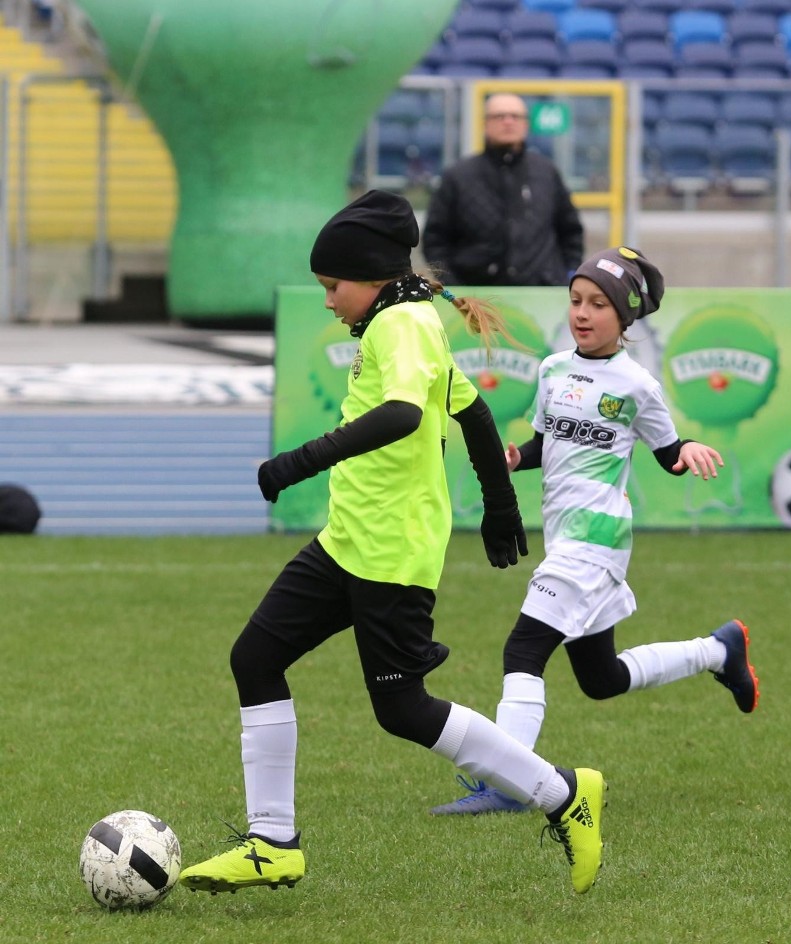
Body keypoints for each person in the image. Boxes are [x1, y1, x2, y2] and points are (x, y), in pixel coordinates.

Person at [178, 190, 606, 897]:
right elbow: (471, 411)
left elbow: (406, 414)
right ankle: (272, 841)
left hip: (391, 550)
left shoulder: (400, 326)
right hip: (349, 539)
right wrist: (500, 508)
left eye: (331, 286)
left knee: (403, 709)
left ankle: (561, 791)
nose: (326, 300)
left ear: (372, 276)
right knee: (254, 658)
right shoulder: (405, 316)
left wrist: (298, 461)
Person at [430, 246, 760, 816]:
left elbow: (668, 451)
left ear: (624, 318)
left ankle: (510, 783)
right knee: (600, 678)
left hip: (596, 540)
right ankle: (718, 650)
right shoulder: (553, 369)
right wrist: (515, 457)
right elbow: (546, 441)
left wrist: (690, 450)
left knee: (523, 650)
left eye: (598, 304)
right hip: (566, 539)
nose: (583, 313)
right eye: (577, 300)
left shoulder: (637, 386)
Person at [422, 92, 584, 287]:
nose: (508, 122)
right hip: (476, 297)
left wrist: (565, 276)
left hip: (540, 295)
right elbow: (435, 239)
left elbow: (570, 231)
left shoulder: (546, 172)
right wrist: (453, 285)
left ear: (525, 124)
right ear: (485, 124)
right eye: (499, 116)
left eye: (515, 116)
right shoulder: (458, 176)